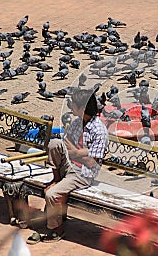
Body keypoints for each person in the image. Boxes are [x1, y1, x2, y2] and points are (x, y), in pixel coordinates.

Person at [38, 89, 108, 242]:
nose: (71, 107)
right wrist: (82, 152)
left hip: (83, 173)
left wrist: (76, 152)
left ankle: (56, 229)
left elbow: (91, 162)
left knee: (52, 194)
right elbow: (65, 145)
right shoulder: (77, 123)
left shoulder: (99, 131)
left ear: (82, 109)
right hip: (70, 165)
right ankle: (56, 179)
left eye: (74, 105)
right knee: (54, 144)